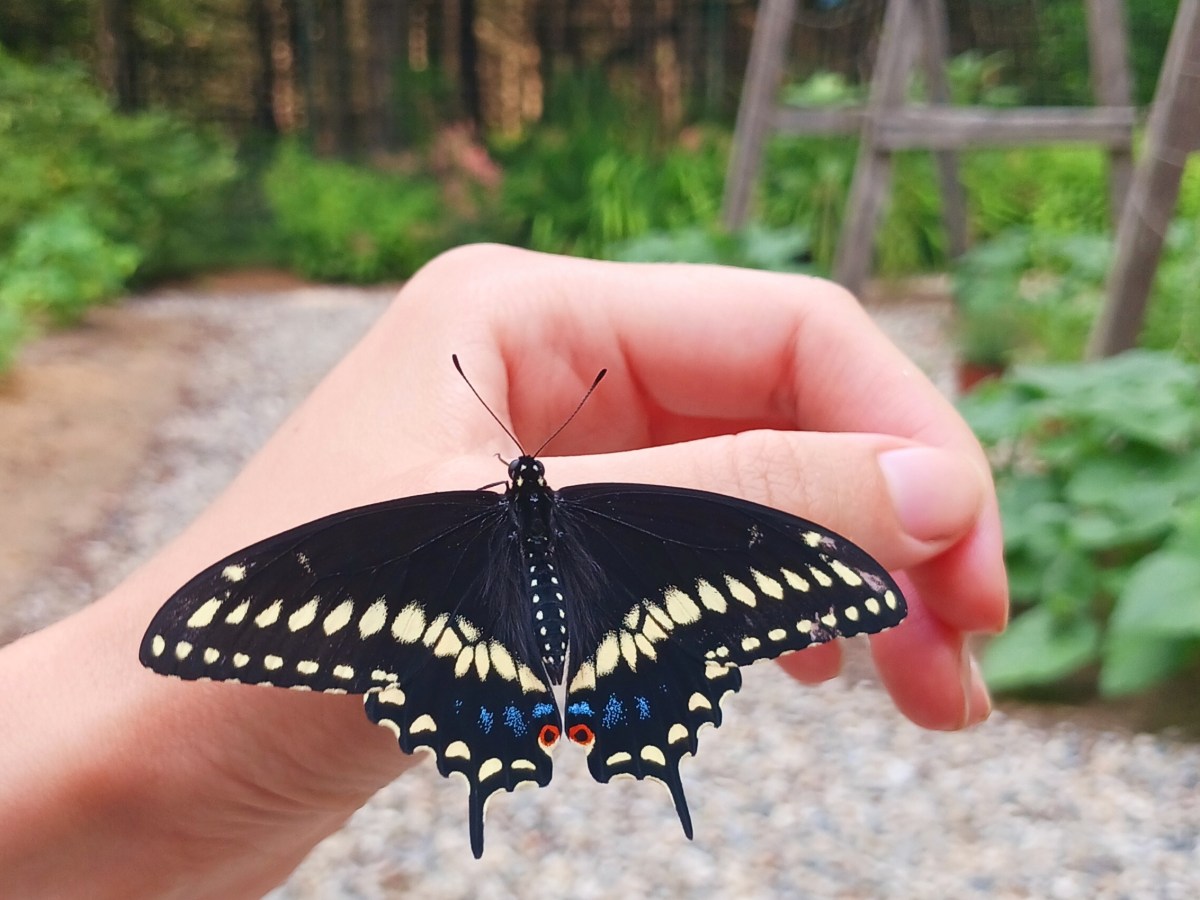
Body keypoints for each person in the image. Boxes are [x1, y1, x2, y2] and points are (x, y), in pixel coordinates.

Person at [0, 245, 1006, 896]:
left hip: (484, 648)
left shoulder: (417, 531)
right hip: (592, 639)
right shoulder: (614, 518)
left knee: (547, 687)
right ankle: (590, 730)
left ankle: (538, 738)